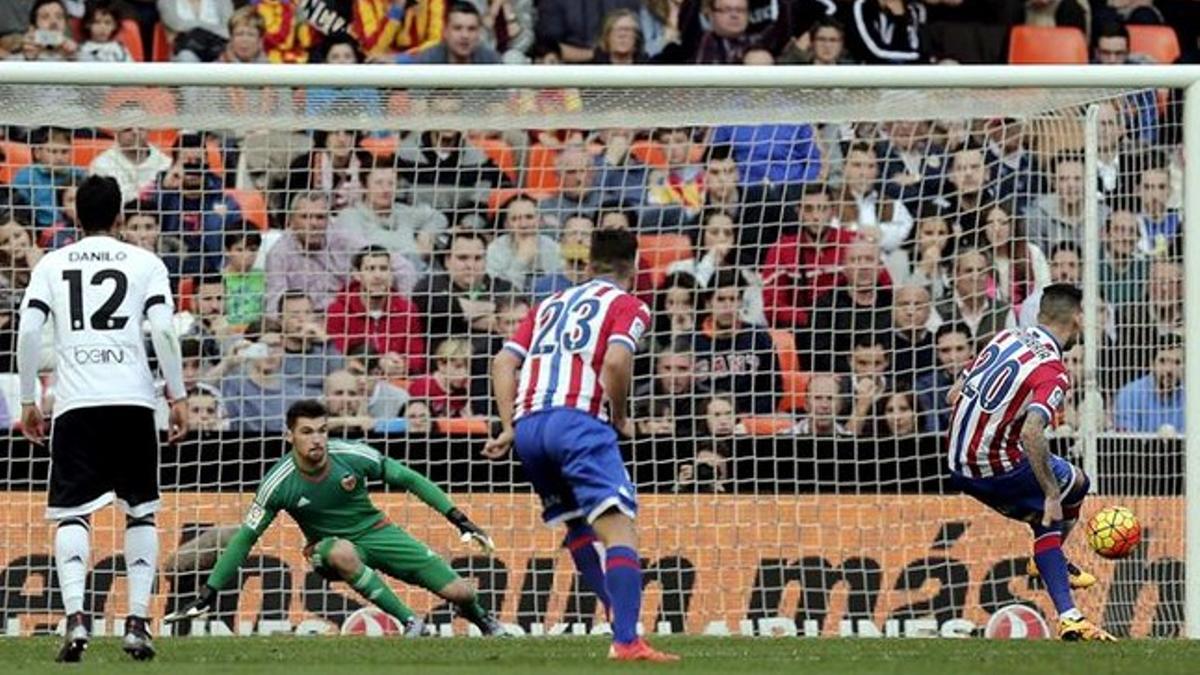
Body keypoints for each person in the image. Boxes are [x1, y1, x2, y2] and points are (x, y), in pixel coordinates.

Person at [484, 228, 679, 662]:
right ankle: (627, 640)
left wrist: (509, 426)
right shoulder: (629, 305)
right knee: (618, 528)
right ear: (633, 269)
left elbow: (502, 362)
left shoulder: (547, 305)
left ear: (587, 266)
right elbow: (614, 360)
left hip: (531, 425)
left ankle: (617, 616)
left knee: (578, 527)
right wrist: (622, 416)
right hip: (579, 423)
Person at [17, 175, 188, 662]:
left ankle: (75, 616)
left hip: (76, 404)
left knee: (72, 510)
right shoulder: (145, 262)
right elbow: (162, 331)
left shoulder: (52, 262)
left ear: (75, 216)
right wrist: (176, 395)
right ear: (119, 216)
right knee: (141, 509)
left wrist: (28, 398)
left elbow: (29, 332)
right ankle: (137, 622)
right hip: (133, 402)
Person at [165, 399, 505, 637]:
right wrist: (210, 590)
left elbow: (410, 479)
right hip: (327, 549)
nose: (317, 439)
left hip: (377, 531)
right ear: (290, 437)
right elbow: (244, 538)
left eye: (322, 430)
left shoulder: (351, 455)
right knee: (341, 551)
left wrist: (458, 518)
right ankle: (410, 621)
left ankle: (483, 619)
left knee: (461, 591)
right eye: (307, 431)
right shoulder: (277, 483)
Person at [948, 283, 1116, 641]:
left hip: (956, 459)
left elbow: (953, 394)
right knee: (1051, 505)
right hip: (993, 467)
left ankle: (1053, 559)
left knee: (1079, 482)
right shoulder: (1053, 370)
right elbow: (1031, 433)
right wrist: (1051, 494)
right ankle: (1070, 616)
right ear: (1077, 318)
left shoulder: (1003, 338)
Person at [326, 245, 426, 377]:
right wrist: (378, 363)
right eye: (370, 269)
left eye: (383, 269)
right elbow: (336, 357)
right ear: (357, 275)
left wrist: (403, 365)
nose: (378, 276)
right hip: (355, 382)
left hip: (398, 382)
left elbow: (418, 356)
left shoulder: (407, 309)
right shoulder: (338, 310)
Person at [691, 269, 780, 414]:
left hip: (749, 422)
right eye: (721, 299)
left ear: (740, 303)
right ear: (708, 303)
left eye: (733, 299)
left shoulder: (759, 338)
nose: (727, 306)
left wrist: (746, 419)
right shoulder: (691, 341)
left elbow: (773, 389)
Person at [1114, 335, 1185, 434]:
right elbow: (1126, 443)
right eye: (1162, 361)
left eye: (1177, 363)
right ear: (1152, 364)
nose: (1169, 369)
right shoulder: (1129, 395)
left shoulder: (1193, 397)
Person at [88, 127, 172, 203]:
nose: (135, 132)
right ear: (116, 132)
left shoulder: (166, 164)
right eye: (128, 128)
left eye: (140, 127)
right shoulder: (101, 165)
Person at [410, 2, 502, 63]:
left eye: (471, 29)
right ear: (445, 32)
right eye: (457, 28)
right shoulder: (427, 61)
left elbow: (503, 92)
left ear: (479, 33)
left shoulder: (492, 61)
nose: (465, 36)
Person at [408, 338, 475, 417]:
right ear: (441, 365)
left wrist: (468, 398)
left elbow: (467, 421)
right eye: (458, 367)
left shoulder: (462, 391)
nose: (465, 373)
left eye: (468, 367)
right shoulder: (422, 387)